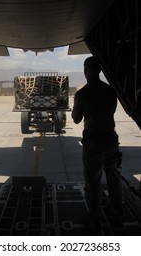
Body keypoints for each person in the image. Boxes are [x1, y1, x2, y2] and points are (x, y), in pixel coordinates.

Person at [71, 56, 123, 231]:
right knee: (113, 175)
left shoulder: (82, 94)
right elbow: (111, 112)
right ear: (100, 70)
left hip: (93, 142)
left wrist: (76, 107)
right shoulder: (110, 91)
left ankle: (94, 214)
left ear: (86, 72)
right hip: (110, 138)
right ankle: (118, 208)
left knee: (93, 180)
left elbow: (77, 120)